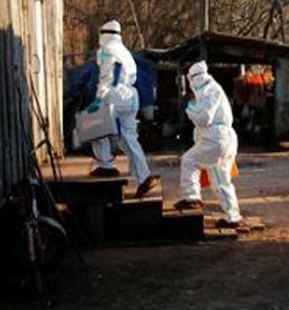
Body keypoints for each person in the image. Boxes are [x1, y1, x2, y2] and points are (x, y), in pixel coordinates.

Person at [87, 20, 159, 199]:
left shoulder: (105, 50)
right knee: (128, 138)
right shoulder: (125, 51)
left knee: (94, 124)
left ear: (103, 34)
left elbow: (107, 77)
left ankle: (106, 165)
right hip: (131, 96)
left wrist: (99, 98)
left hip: (115, 93)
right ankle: (144, 177)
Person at [174, 60, 243, 228]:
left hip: (216, 138)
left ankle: (192, 197)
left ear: (193, 79)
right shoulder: (214, 88)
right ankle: (232, 216)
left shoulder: (207, 90)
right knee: (220, 180)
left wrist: (190, 109)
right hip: (225, 138)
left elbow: (205, 118)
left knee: (189, 161)